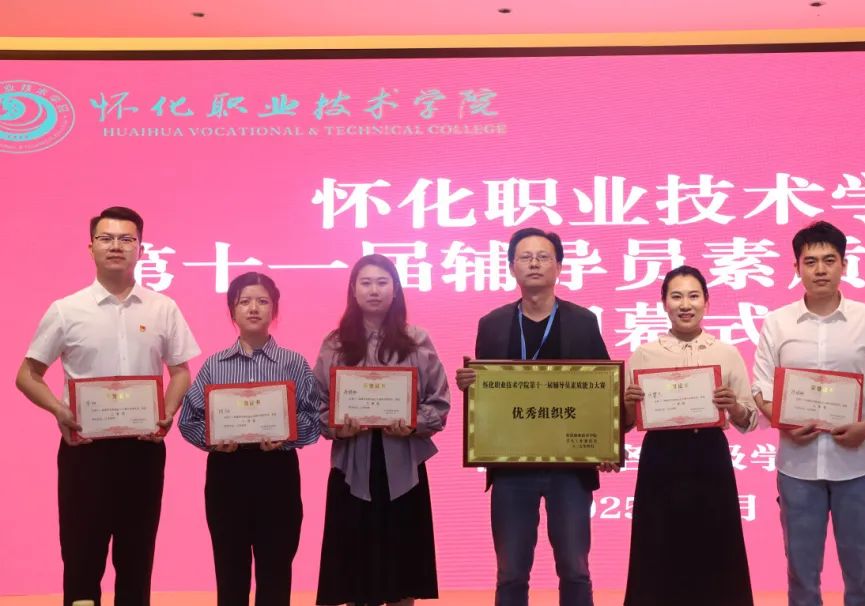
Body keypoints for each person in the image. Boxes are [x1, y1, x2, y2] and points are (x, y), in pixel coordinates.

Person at [15, 206, 200, 606]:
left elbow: (181, 372)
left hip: (143, 451)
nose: (116, 246)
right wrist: (59, 411)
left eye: (126, 239)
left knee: (137, 560)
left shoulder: (162, 308)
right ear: (91, 248)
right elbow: (27, 375)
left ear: (141, 249)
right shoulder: (66, 309)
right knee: (81, 557)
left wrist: (168, 412)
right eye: (106, 238)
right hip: (85, 451)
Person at [455, 227, 611, 606]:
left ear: (559, 266)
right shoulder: (491, 324)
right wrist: (471, 385)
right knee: (511, 573)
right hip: (512, 467)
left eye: (543, 257)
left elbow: (604, 388)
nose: (535, 263)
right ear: (512, 267)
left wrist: (607, 443)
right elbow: (489, 396)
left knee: (575, 570)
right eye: (525, 257)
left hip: (570, 466)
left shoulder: (583, 321)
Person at [751, 221, 865, 606]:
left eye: (829, 260)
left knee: (863, 575)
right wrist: (783, 422)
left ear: (844, 265)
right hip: (797, 468)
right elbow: (761, 388)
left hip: (859, 464)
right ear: (796, 267)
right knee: (801, 576)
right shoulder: (777, 322)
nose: (820, 270)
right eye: (810, 261)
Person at [314, 254, 451, 606]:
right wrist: (337, 426)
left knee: (403, 576)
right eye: (366, 283)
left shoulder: (417, 340)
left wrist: (412, 423)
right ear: (353, 290)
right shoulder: (335, 343)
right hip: (352, 468)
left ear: (395, 289)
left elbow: (439, 403)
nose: (374, 290)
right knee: (355, 576)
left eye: (382, 282)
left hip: (403, 469)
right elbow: (317, 405)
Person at [177, 272, 320, 606]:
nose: (253, 308)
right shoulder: (214, 365)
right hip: (228, 473)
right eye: (244, 302)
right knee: (230, 574)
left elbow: (315, 418)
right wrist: (214, 440)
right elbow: (188, 420)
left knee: (276, 572)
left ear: (274, 310)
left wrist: (286, 435)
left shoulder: (294, 363)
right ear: (232, 311)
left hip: (278, 472)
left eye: (262, 301)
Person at [621, 265, 756, 606]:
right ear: (664, 303)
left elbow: (749, 418)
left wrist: (733, 406)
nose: (685, 304)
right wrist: (628, 404)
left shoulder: (726, 352)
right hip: (660, 458)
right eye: (676, 296)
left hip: (709, 456)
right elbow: (624, 422)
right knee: (658, 545)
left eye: (693, 296)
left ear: (706, 302)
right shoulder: (644, 354)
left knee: (715, 545)